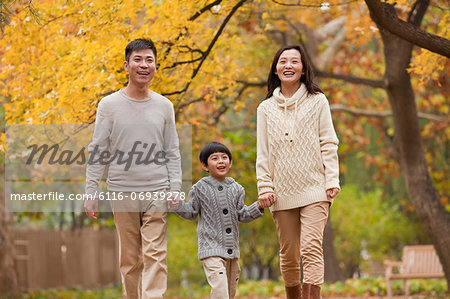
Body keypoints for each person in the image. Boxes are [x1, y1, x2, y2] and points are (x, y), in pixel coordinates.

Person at [84, 38, 182, 299]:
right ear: (126, 65)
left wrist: (175, 188)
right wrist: (90, 191)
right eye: (138, 59)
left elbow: (172, 150)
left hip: (157, 189)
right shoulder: (108, 105)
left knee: (155, 253)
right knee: (130, 258)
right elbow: (99, 149)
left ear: (156, 67)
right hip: (122, 190)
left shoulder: (164, 106)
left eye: (149, 60)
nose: (144, 65)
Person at [256, 45, 340, 299]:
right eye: (283, 61)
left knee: (311, 247)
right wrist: (265, 186)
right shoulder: (265, 108)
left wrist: (332, 179)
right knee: (289, 253)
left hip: (315, 187)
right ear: (276, 69)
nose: (288, 65)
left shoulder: (318, 101)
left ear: (304, 69)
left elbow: (329, 142)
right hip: (281, 191)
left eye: (295, 61)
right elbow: (263, 151)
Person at [170, 142, 264, 299]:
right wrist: (177, 205)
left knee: (229, 292)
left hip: (232, 251)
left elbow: (243, 214)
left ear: (230, 163)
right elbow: (191, 212)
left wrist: (258, 206)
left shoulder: (237, 189)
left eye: (224, 157)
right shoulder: (200, 188)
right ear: (205, 166)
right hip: (211, 249)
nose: (221, 161)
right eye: (214, 158)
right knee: (220, 289)